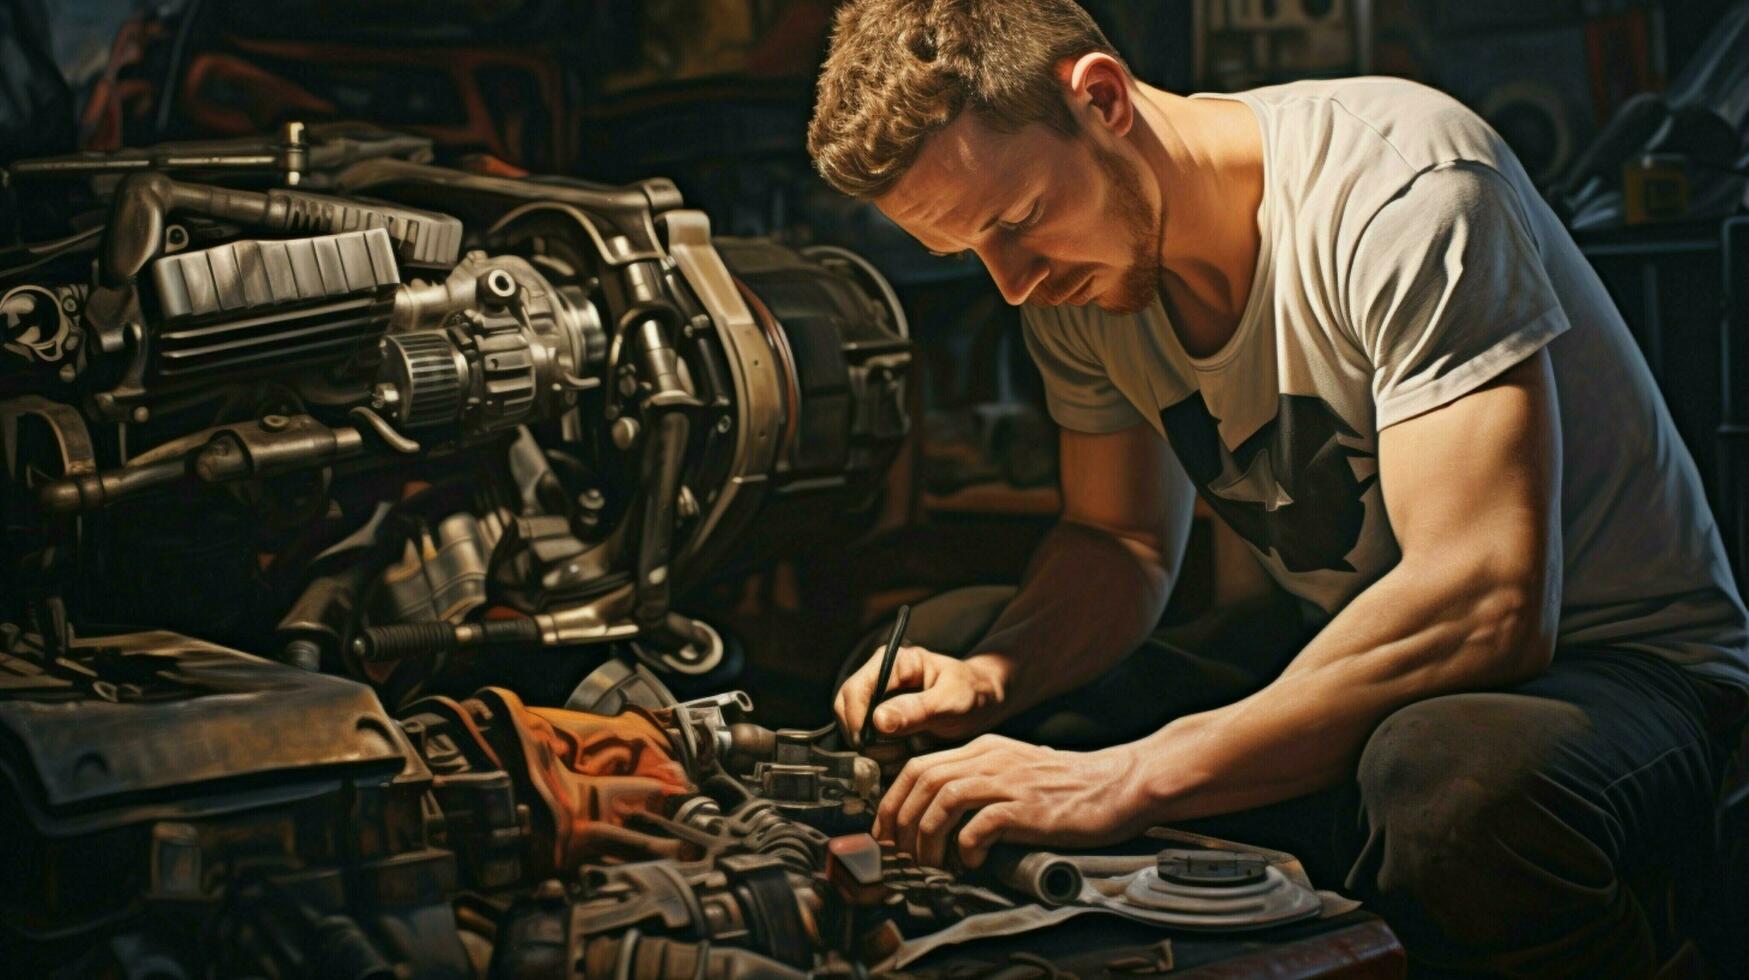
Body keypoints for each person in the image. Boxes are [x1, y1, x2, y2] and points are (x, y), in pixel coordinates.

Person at [806, 1, 1749, 974]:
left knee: (1445, 782)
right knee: (958, 656)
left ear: (1101, 98)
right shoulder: (1075, 278)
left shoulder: (1401, 184)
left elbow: (1488, 600)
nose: (1011, 285)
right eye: (969, 252)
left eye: (1017, 221)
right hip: (1349, 638)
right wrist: (996, 673)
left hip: (1622, 661)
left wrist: (1129, 776)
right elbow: (1119, 543)